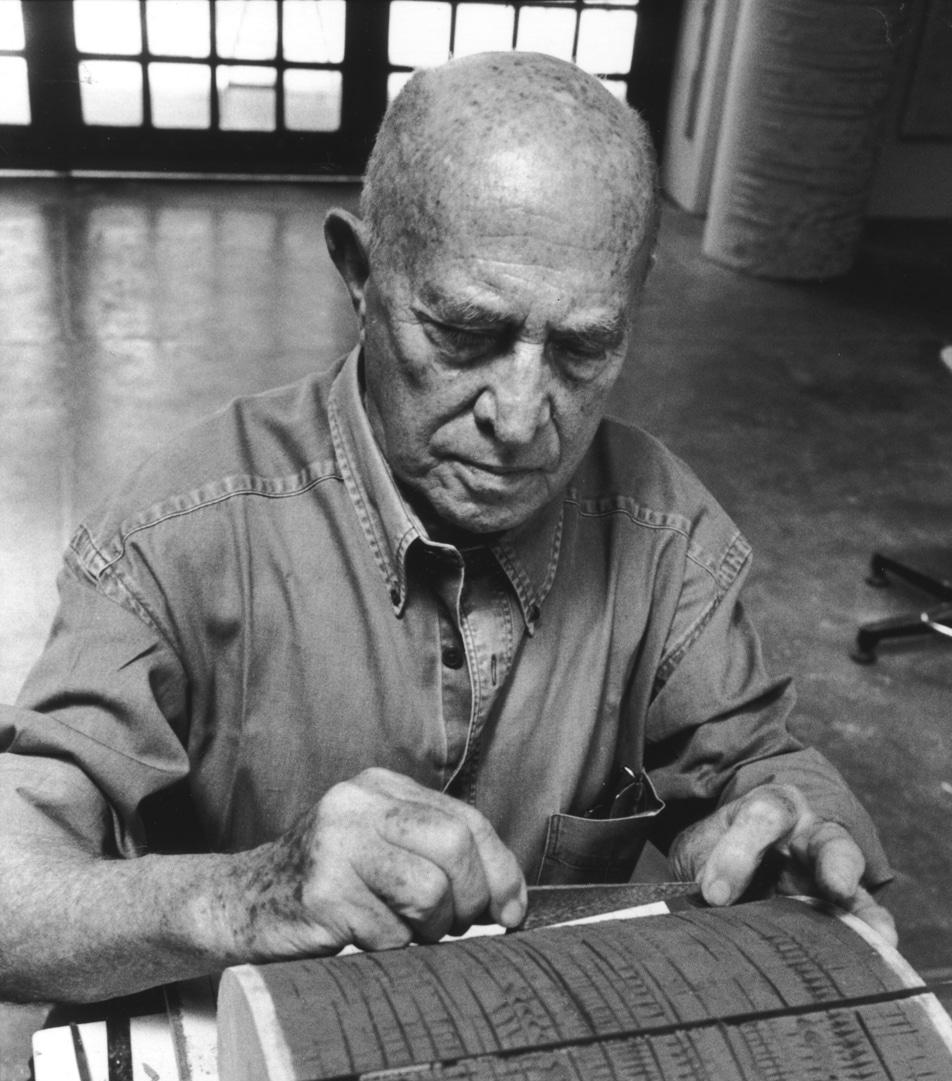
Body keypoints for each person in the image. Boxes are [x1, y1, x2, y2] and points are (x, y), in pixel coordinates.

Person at [0, 52, 894, 1012]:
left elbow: (758, 764)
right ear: (359, 271)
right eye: (466, 334)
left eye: (584, 348)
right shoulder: (181, 530)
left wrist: (781, 834)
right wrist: (247, 893)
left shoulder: (662, 532)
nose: (520, 417)